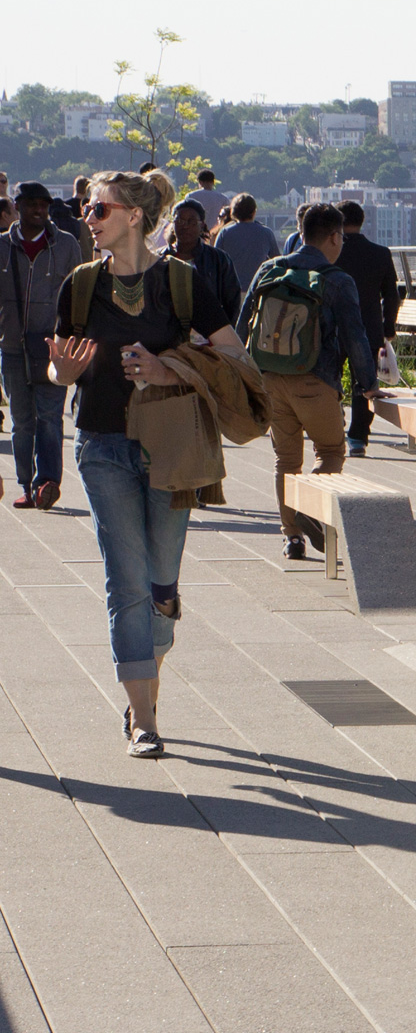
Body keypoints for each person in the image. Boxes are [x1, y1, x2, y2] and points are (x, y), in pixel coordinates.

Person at [46, 170, 245, 758]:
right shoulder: (80, 286)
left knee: (161, 584)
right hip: (102, 445)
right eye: (86, 208)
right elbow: (59, 368)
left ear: (134, 215)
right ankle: (142, 717)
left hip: (171, 448)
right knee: (125, 581)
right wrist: (66, 373)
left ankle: (144, 683)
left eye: (98, 209)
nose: (88, 217)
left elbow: (232, 351)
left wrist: (169, 369)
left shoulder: (181, 283)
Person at [241, 202, 377, 563]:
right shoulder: (336, 280)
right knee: (330, 452)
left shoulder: (268, 270)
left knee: (286, 460)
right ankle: (308, 508)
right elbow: (355, 337)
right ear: (334, 236)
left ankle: (292, 538)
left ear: (301, 232)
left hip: (270, 378)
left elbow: (243, 327)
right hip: (314, 381)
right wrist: (368, 384)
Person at [4, 182, 82, 509]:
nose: (39, 210)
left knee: (50, 418)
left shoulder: (66, 245)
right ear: (17, 206)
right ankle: (26, 482)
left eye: (44, 205)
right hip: (11, 348)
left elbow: (79, 294)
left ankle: (47, 482)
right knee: (22, 422)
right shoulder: (2, 247)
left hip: (54, 346)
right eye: (32, 204)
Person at [332, 200, 400, 455]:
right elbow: (391, 295)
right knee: (365, 382)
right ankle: (358, 438)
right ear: (362, 222)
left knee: (331, 377)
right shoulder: (381, 252)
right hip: (368, 328)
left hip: (335, 327)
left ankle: (332, 426)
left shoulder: (332, 251)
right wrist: (388, 326)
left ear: (338, 222)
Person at [168, 198, 238, 316]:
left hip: (209, 330)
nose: (185, 226)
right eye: (179, 221)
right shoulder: (160, 259)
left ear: (202, 226)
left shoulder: (218, 260)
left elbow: (232, 302)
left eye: (192, 221)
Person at [212, 194, 277, 299]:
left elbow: (215, 261)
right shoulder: (266, 233)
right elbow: (276, 261)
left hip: (231, 289)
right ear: (254, 212)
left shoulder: (225, 232)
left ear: (234, 212)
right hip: (258, 289)